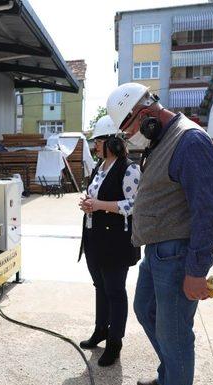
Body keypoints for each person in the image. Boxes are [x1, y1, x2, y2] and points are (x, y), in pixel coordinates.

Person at [106, 83, 213, 385]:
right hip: (157, 252)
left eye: (128, 129)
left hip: (177, 255)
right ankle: (169, 376)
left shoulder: (190, 141)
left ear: (145, 116)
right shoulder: (161, 141)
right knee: (145, 310)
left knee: (175, 333)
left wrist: (198, 270)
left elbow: (207, 212)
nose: (129, 138)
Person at [77, 115, 141, 367]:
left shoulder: (130, 168)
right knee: (100, 286)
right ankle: (101, 329)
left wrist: (99, 205)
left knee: (115, 290)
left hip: (116, 240)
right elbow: (93, 194)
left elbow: (134, 204)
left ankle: (115, 341)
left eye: (98, 141)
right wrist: (86, 203)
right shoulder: (99, 166)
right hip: (94, 236)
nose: (95, 146)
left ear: (112, 141)